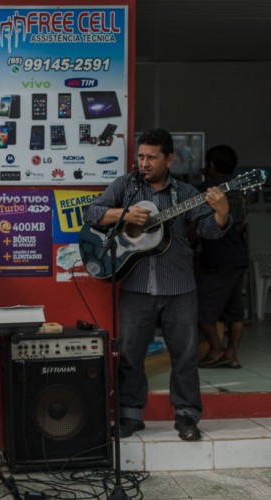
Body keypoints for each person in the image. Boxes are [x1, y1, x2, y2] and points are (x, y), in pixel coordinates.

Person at [83, 128, 231, 441]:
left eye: (152, 157)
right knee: (130, 355)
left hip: (178, 287)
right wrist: (123, 216)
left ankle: (187, 415)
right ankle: (130, 415)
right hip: (136, 286)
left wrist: (221, 214)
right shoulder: (126, 186)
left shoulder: (186, 194)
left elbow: (209, 230)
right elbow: (91, 212)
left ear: (169, 159)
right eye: (140, 156)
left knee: (185, 355)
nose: (144, 163)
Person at [196, 145, 248, 369]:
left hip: (218, 259)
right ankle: (232, 354)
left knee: (202, 309)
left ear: (211, 165)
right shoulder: (237, 191)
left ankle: (216, 349)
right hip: (238, 257)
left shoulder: (209, 188)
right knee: (235, 311)